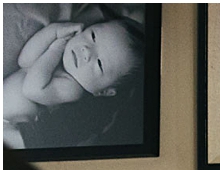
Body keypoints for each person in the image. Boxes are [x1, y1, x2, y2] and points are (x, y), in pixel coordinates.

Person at [4, 12, 144, 144]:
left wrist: (55, 48)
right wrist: (55, 32)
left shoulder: (72, 88)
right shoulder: (56, 59)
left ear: (103, 91)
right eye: (93, 36)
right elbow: (24, 60)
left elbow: (32, 90)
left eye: (99, 63)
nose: (87, 50)